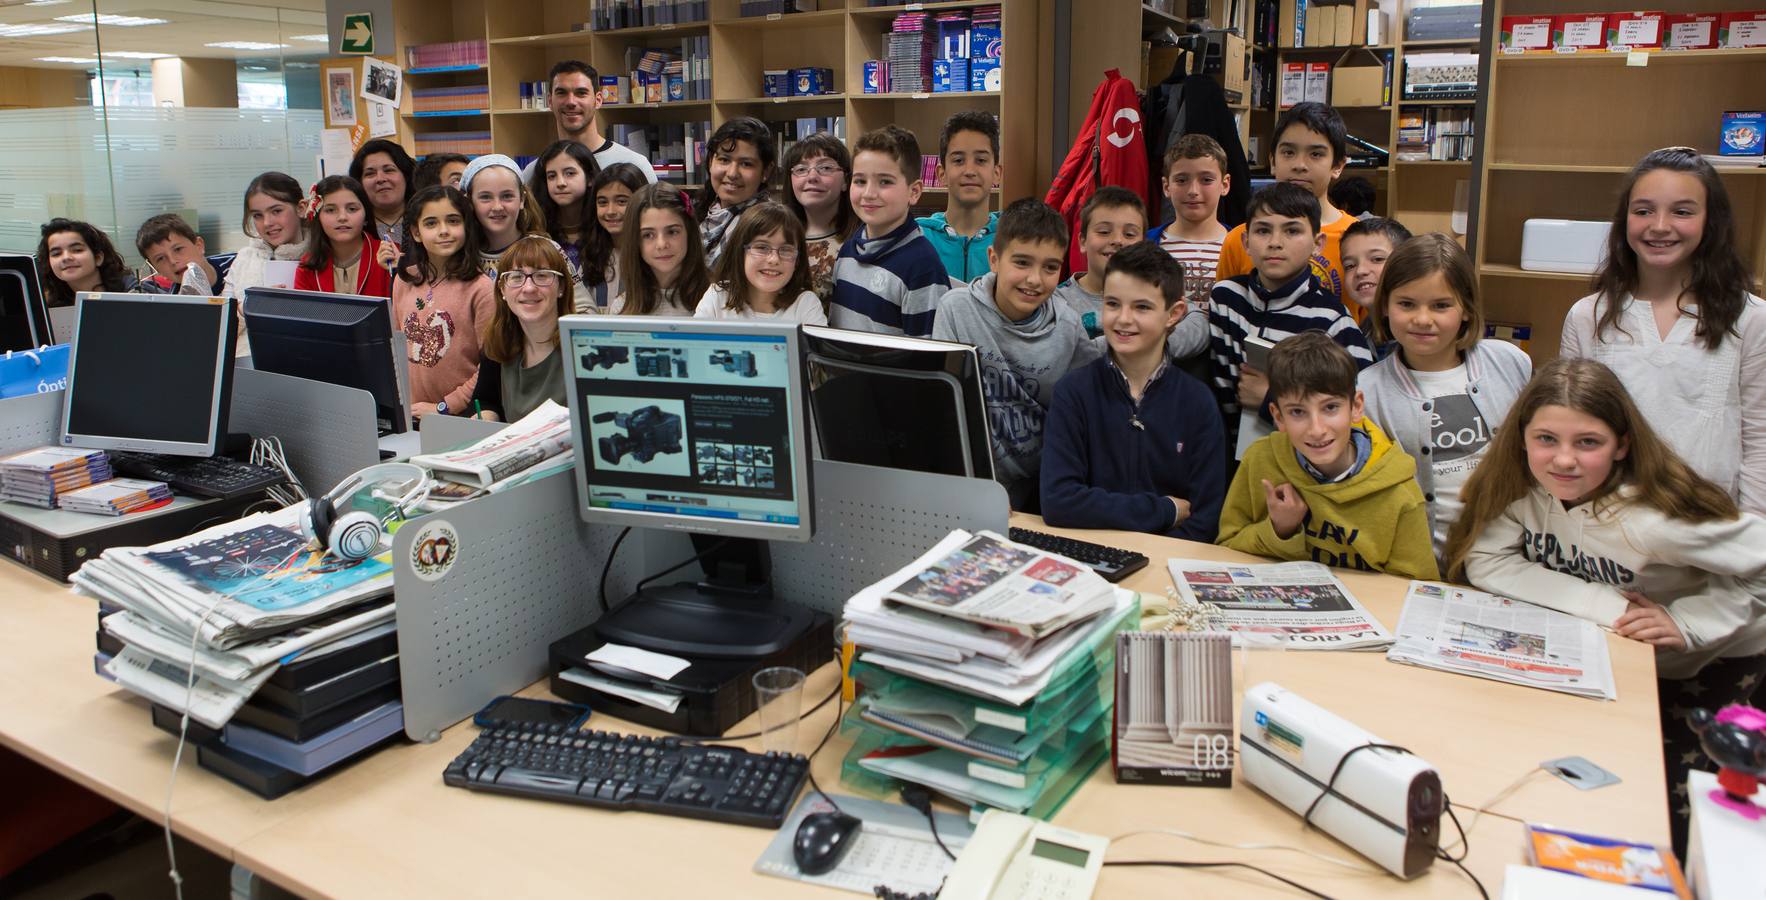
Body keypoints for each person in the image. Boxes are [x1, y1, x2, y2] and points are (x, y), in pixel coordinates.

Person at [1446, 357, 1766, 855]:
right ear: (1522, 438)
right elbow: (1485, 558)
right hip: (1624, 654)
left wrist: (1688, 622)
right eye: (1546, 439)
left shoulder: (1655, 519)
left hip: (1714, 659)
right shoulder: (1524, 488)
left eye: (1587, 442)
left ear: (1622, 445)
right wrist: (1605, 604)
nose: (1564, 460)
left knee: (1674, 804)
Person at [1559, 147, 1765, 516]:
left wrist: (1751, 539)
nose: (1659, 225)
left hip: (1711, 528)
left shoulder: (1751, 319)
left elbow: (1760, 439)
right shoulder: (1587, 316)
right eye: (1643, 211)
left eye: (1682, 211)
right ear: (1624, 220)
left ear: (1710, 221)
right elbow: (1571, 429)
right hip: (1608, 524)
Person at [1359, 233, 1531, 558]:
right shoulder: (1367, 391)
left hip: (1513, 559)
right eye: (1406, 304)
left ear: (1466, 308)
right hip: (1424, 565)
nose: (1423, 319)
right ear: (1384, 307)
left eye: (1441, 305)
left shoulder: (1509, 362)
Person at [1217, 331, 1437, 580]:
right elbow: (1227, 544)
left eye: (1330, 408)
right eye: (1298, 412)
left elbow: (1414, 586)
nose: (1317, 429)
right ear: (1278, 417)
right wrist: (1281, 529)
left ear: (1356, 407)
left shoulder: (1400, 491)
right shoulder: (1260, 459)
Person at [1042, 241, 1224, 540]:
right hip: (1089, 558)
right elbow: (1059, 501)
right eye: (1113, 304)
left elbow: (1205, 520)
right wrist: (1164, 510)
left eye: (1142, 307)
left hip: (1168, 563)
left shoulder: (1198, 402)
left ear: (1174, 313)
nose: (1123, 319)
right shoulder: (1072, 393)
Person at [932, 197, 1100, 511]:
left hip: (1039, 489)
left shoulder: (1067, 326)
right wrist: (974, 483)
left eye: (1050, 267)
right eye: (1022, 262)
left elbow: (1086, 413)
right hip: (973, 481)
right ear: (994, 259)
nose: (1035, 279)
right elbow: (944, 409)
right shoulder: (956, 309)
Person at [1210, 183, 1374, 459]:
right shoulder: (1226, 297)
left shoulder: (1334, 322)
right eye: (1263, 230)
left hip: (1303, 465)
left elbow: (1357, 418)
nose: (1275, 242)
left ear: (1317, 244)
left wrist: (1269, 398)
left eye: (1292, 230)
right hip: (1227, 458)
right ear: (1246, 242)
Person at [1214, 103, 1360, 317]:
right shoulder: (1239, 239)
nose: (1299, 164)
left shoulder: (1356, 239)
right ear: (1272, 161)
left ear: (1338, 165)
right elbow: (1226, 311)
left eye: (1316, 154)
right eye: (1288, 152)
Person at [381, 185, 494, 423]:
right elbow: (396, 350)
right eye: (431, 223)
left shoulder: (481, 289)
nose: (444, 231)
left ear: (466, 226)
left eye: (453, 221)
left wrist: (444, 407)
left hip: (460, 416)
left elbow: (490, 366)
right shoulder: (403, 280)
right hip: (412, 416)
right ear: (416, 232)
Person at [829, 125, 950, 337]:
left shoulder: (923, 268)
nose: (868, 193)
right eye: (860, 181)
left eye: (884, 182)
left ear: (914, 192)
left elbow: (928, 359)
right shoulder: (848, 250)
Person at [1146, 134, 1230, 359]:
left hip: (1222, 364)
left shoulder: (1240, 245)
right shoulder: (1147, 246)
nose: (1193, 190)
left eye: (1206, 180)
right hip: (1163, 358)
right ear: (1166, 186)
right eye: (1182, 180)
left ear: (1225, 184)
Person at [472, 236, 573, 422]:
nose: (528, 288)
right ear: (502, 290)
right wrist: (485, 418)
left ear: (561, 287)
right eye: (517, 277)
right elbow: (487, 402)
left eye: (542, 275)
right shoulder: (497, 344)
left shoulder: (581, 348)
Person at [519, 60, 657, 184]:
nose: (571, 102)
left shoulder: (635, 165)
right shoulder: (534, 173)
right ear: (549, 101)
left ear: (598, 100)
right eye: (562, 93)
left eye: (581, 93)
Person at [695, 201, 827, 324]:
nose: (774, 259)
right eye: (762, 247)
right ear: (740, 253)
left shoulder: (805, 304)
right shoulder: (717, 296)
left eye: (786, 250)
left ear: (797, 260)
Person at [916, 110, 1002, 282]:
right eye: (958, 161)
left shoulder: (1011, 238)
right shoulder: (917, 238)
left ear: (996, 173)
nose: (970, 171)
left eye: (981, 160)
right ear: (942, 174)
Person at [1054, 186, 1144, 339]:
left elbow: (1195, 323)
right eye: (1104, 232)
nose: (1117, 240)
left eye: (1129, 234)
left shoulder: (1156, 294)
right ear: (1082, 242)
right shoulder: (1055, 301)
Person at [782, 133, 856, 307]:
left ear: (846, 180)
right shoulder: (776, 236)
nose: (812, 177)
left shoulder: (860, 242)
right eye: (801, 169)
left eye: (826, 168)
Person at [611, 184, 707, 316]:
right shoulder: (622, 308)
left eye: (672, 232)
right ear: (635, 241)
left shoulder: (716, 300)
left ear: (689, 233)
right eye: (648, 235)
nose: (661, 244)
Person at [695, 117, 775, 268]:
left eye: (746, 164)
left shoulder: (768, 225)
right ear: (711, 161)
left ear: (766, 171)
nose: (732, 173)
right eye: (724, 160)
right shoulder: (704, 211)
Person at [293, 175, 391, 298]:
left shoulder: (390, 256)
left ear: (366, 216)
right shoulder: (307, 266)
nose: (342, 217)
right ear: (318, 218)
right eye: (330, 210)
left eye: (352, 209)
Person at [531, 140, 601, 303]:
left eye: (570, 173)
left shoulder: (605, 226)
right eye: (552, 176)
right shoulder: (538, 230)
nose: (560, 183)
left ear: (590, 178)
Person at [460, 154, 548, 281]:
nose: (497, 207)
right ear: (469, 201)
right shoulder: (460, 258)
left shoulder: (545, 250)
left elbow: (580, 300)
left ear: (522, 199)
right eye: (485, 197)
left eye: (507, 196)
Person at [226, 172, 308, 303]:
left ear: (301, 208)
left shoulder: (321, 256)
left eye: (276, 211)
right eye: (258, 215)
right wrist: (250, 307)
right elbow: (225, 313)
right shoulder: (244, 259)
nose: (267, 223)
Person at [582, 163, 648, 313]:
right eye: (603, 202)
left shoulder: (655, 256)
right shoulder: (589, 256)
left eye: (622, 201)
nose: (610, 211)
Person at [36, 219, 134, 307]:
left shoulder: (133, 291)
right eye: (56, 253)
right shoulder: (49, 308)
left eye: (77, 250)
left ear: (98, 258)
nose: (66, 258)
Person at [1339, 217, 1412, 334]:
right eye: (1350, 266)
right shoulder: (1359, 335)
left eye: (1377, 259)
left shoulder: (1417, 332)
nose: (1360, 271)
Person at [135, 213, 234, 296]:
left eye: (178, 249)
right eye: (161, 258)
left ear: (199, 246)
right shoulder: (176, 302)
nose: (173, 261)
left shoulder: (239, 265)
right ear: (156, 269)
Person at [350, 139, 416, 245]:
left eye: (389, 170)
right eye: (370, 173)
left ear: (406, 175)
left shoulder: (425, 218)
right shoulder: (354, 226)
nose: (380, 179)